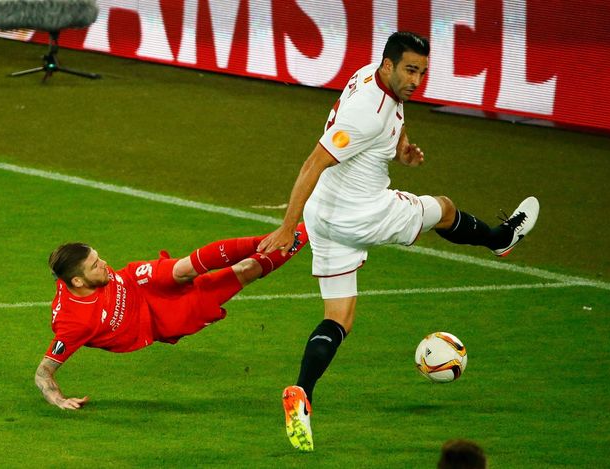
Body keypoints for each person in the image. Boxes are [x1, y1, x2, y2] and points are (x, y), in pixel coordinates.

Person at [257, 31, 539, 451]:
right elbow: (313, 162)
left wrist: (402, 150)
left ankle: (302, 393)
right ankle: (500, 239)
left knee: (338, 317)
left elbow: (392, 121)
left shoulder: (370, 79)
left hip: (327, 217)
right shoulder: (366, 113)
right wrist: (285, 227)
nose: (417, 80)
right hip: (363, 213)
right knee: (442, 208)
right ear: (388, 65)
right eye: (410, 70)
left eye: (423, 72)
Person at [35, 224, 307, 409]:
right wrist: (59, 400)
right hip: (158, 320)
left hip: (137, 282)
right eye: (96, 265)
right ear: (78, 282)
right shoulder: (75, 324)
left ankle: (284, 235)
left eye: (99, 257)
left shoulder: (72, 274)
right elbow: (43, 373)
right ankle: (307, 235)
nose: (105, 264)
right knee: (246, 271)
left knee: (184, 267)